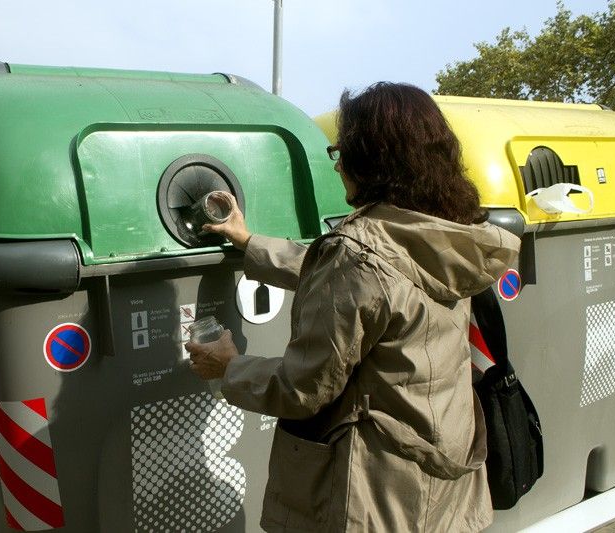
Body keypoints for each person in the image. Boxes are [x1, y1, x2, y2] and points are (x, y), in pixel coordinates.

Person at [185, 82, 521, 532]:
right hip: (442, 471)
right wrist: (250, 242)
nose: (339, 163)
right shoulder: (447, 231)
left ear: (372, 159)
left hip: (377, 490)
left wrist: (229, 368)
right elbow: (366, 282)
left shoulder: (360, 255)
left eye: (343, 151)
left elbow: (304, 388)